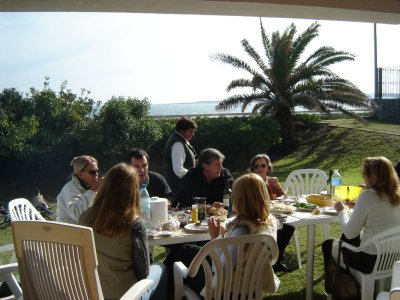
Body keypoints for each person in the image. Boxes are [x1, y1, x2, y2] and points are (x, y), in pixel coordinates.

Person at [164, 173, 280, 296]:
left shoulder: (241, 233)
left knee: (180, 258)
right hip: (250, 284)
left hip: (224, 290)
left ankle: (161, 289)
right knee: (188, 249)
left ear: (240, 200)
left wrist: (216, 238)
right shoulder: (270, 223)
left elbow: (219, 269)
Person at [79, 163, 167, 300]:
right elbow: (144, 273)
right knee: (161, 267)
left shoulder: (85, 217)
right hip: (128, 295)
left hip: (94, 293)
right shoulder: (134, 223)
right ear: (133, 190)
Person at [322, 156, 400, 274]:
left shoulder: (367, 196)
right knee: (345, 241)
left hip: (370, 261)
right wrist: (358, 207)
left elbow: (350, 233)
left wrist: (341, 211)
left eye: (364, 174)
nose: (362, 177)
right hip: (394, 258)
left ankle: (342, 288)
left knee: (328, 245)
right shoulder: (397, 195)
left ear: (371, 176)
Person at [249, 154, 295, 272]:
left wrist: (278, 187)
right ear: (252, 169)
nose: (260, 169)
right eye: (256, 166)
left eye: (263, 166)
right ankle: (271, 260)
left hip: (274, 216)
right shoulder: (250, 183)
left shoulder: (271, 182)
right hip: (256, 218)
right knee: (278, 228)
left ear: (268, 168)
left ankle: (276, 260)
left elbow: (285, 201)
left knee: (289, 227)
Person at [57, 155, 102, 224]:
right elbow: (77, 215)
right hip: (68, 231)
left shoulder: (90, 187)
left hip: (85, 229)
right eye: (92, 172)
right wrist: (93, 191)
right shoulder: (70, 188)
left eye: (97, 171)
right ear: (80, 174)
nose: (96, 174)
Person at [163, 116, 197, 206]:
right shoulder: (178, 143)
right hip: (178, 186)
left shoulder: (180, 140)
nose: (193, 134)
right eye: (191, 131)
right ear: (182, 130)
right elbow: (178, 170)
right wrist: (195, 173)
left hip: (179, 185)